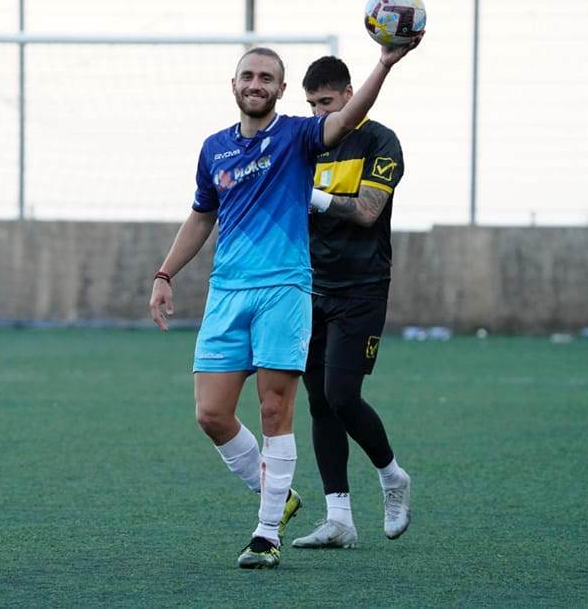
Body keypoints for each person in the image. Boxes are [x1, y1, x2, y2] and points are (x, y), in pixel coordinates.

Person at [149, 39, 422, 569]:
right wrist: (165, 273)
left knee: (286, 408)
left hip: (294, 290)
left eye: (266, 78)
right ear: (234, 85)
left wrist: (384, 63)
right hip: (229, 293)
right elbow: (202, 214)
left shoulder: (300, 135)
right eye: (247, 75)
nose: (256, 84)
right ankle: (291, 498)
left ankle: (267, 532)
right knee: (211, 414)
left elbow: (346, 128)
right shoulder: (214, 148)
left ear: (278, 89)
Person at [291, 56, 411, 550]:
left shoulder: (381, 141)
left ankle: (392, 476)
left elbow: (366, 211)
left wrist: (313, 198)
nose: (320, 112)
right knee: (319, 402)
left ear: (348, 95)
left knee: (341, 395)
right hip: (308, 286)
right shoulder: (306, 144)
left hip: (361, 286)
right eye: (312, 104)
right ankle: (339, 517)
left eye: (327, 102)